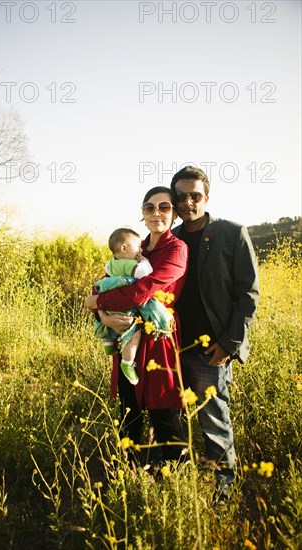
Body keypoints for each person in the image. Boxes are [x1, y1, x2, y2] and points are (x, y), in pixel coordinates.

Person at [170, 165, 259, 499]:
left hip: (212, 350)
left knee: (214, 422)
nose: (189, 202)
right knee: (171, 418)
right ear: (175, 200)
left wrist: (228, 344)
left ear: (206, 197)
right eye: (182, 196)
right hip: (172, 347)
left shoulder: (232, 233)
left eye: (196, 195)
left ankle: (222, 493)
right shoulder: (169, 238)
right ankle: (176, 486)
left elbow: (248, 294)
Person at [85, 186, 188, 463]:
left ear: (174, 213)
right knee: (129, 408)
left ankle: (175, 471)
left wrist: (96, 303)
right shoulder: (134, 247)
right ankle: (130, 468)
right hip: (126, 332)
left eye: (164, 207)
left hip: (157, 335)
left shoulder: (176, 249)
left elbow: (144, 290)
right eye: (150, 207)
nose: (157, 213)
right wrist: (102, 315)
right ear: (142, 213)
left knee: (162, 406)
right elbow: (107, 282)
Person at [93, 227, 174, 386]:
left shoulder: (110, 264)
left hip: (109, 303)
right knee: (134, 333)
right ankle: (127, 362)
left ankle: (108, 342)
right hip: (125, 306)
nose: (140, 249)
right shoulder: (129, 264)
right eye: (137, 246)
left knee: (109, 322)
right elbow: (144, 273)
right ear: (124, 248)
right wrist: (143, 260)